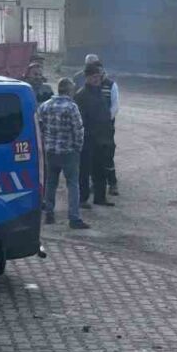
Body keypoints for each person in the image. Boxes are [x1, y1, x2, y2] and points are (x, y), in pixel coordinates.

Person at [36, 78, 89, 229]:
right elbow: (78, 130)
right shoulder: (71, 107)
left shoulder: (45, 106)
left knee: (51, 183)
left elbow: (40, 128)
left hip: (51, 151)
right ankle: (74, 218)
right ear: (69, 90)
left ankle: (49, 214)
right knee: (72, 184)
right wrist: (78, 147)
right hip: (68, 151)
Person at [72, 53, 120, 195]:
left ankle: (112, 183)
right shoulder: (80, 81)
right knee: (91, 158)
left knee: (108, 155)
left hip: (106, 128)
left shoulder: (111, 85)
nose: (96, 77)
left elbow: (115, 106)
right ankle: (96, 185)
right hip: (89, 129)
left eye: (98, 72)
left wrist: (104, 121)